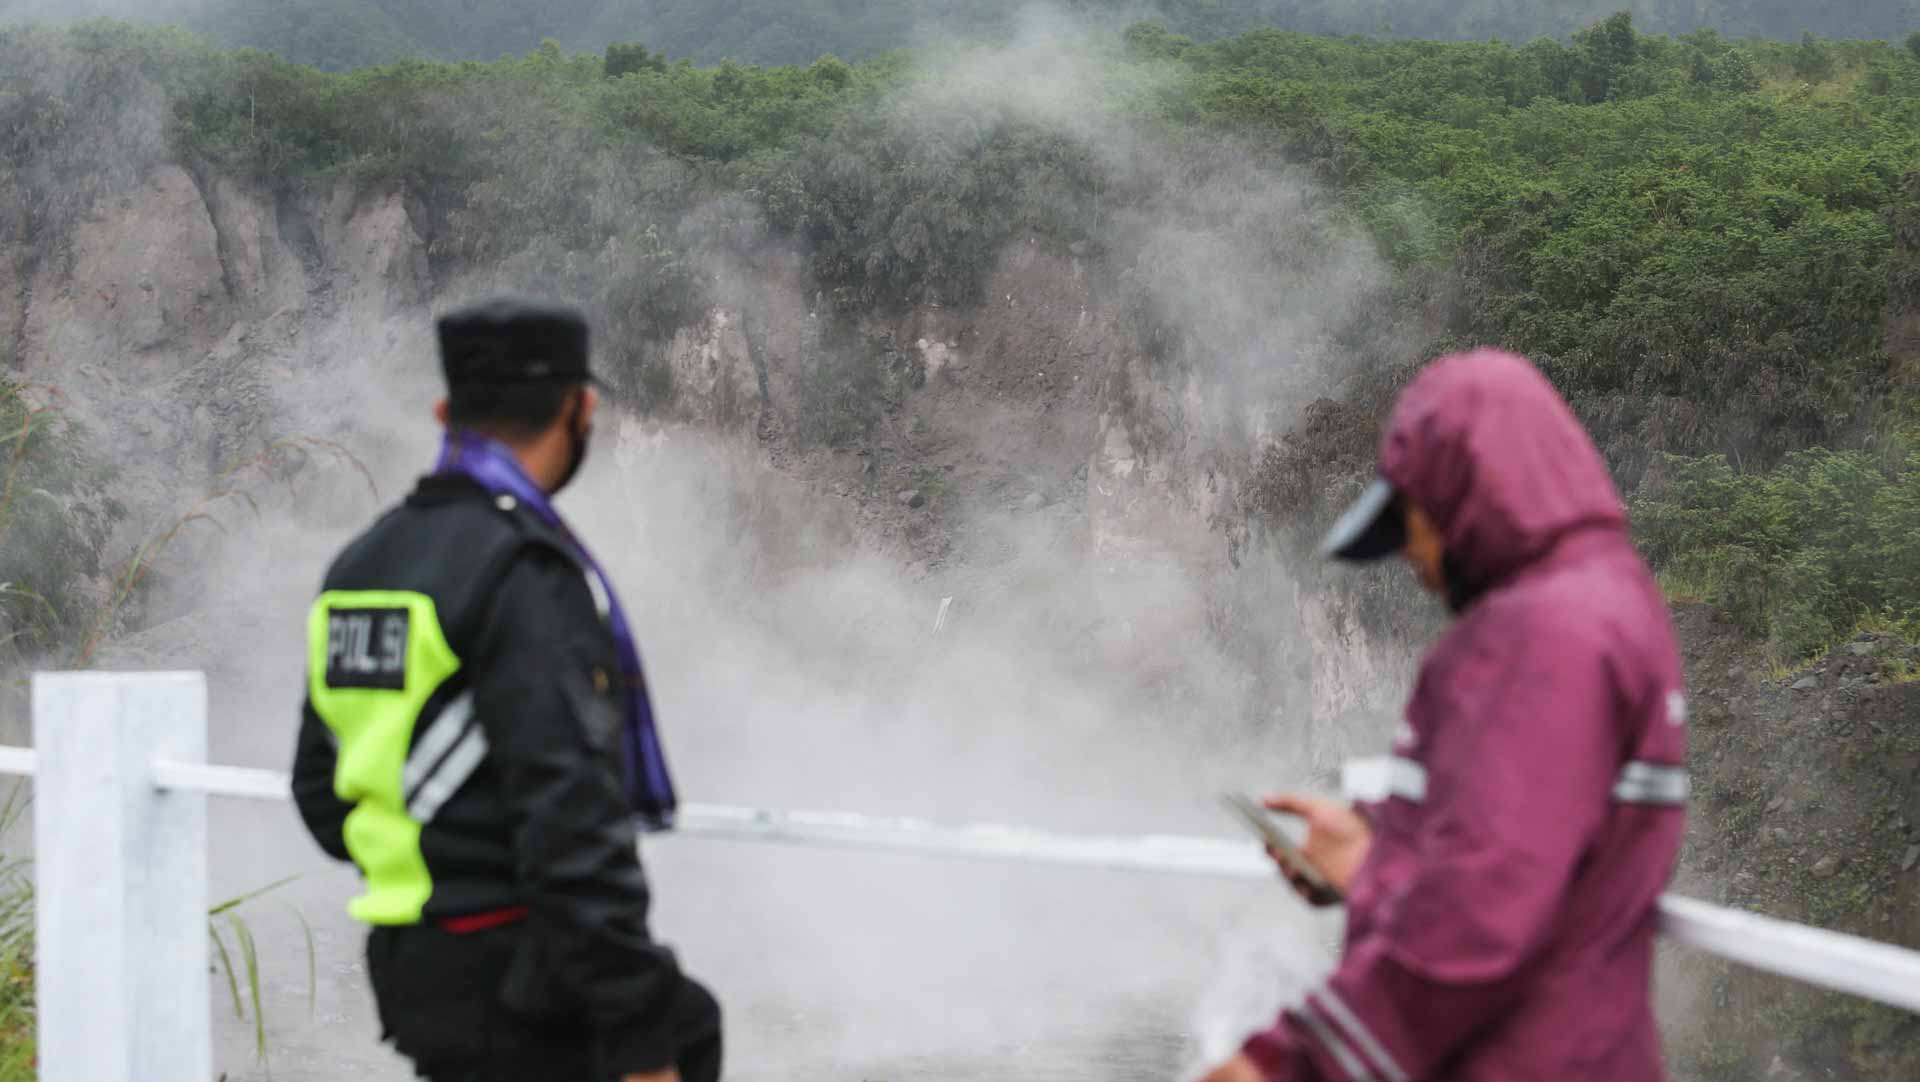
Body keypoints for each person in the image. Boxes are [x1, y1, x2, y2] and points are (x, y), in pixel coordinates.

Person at [1201, 348, 1688, 1082]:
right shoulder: (1606, 604)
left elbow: (1481, 913)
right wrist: (1375, 860)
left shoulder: (1544, 636)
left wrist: (1288, 1065)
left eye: (1409, 524)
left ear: (1467, 490)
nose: (1407, 557)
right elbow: (1532, 847)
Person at [291, 298, 722, 1082]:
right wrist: (639, 1036)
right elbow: (572, 818)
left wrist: (431, 872)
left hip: (413, 965)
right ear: (579, 409)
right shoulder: (522, 572)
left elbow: (320, 792)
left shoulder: (362, 565)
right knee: (688, 1026)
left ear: (445, 411)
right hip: (525, 984)